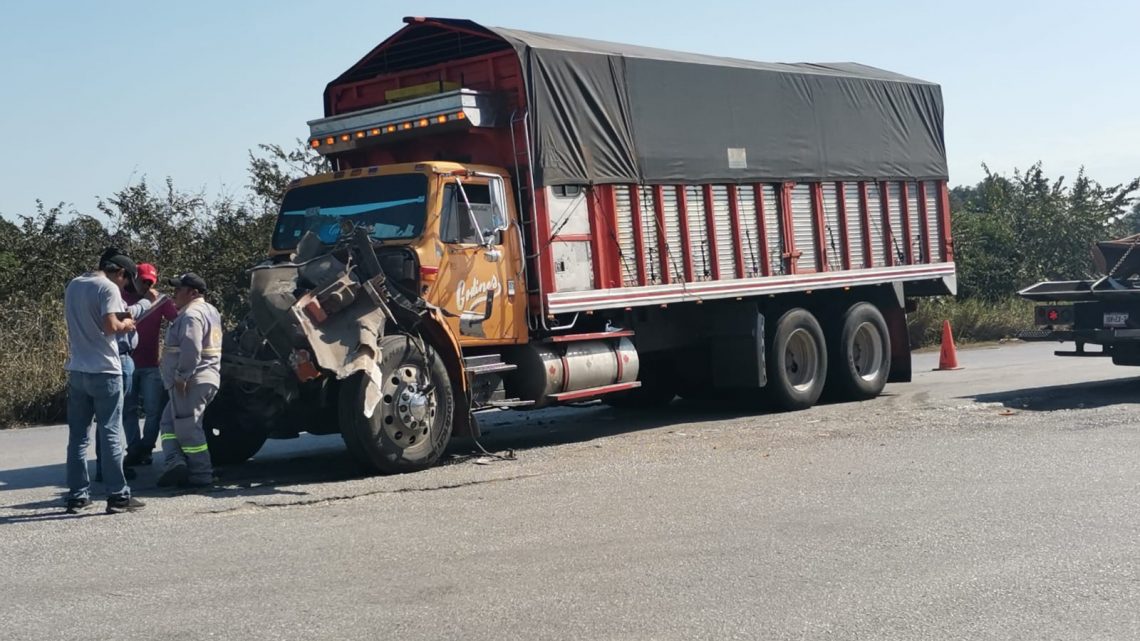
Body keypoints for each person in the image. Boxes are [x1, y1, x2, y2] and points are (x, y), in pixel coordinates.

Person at [63, 248, 147, 514]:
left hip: (78, 369)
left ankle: (77, 496)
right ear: (119, 273)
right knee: (110, 432)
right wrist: (128, 325)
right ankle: (118, 496)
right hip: (105, 371)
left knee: (78, 437)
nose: (124, 286)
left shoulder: (74, 284)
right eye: (125, 281)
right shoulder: (107, 288)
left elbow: (91, 320)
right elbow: (110, 326)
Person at [157, 273, 223, 488]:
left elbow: (191, 349)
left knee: (188, 429)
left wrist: (182, 376)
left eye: (179, 289)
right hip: (202, 377)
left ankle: (201, 475)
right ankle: (175, 462)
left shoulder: (191, 315)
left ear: (193, 293)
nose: (174, 293)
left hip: (191, 380)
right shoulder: (209, 310)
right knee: (168, 422)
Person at [122, 263, 179, 467]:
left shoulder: (160, 300)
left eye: (149, 282)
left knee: (153, 411)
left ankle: (146, 448)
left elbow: (179, 322)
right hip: (126, 363)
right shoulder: (121, 297)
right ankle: (134, 448)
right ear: (133, 278)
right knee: (128, 410)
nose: (145, 285)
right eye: (142, 281)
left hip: (150, 365)